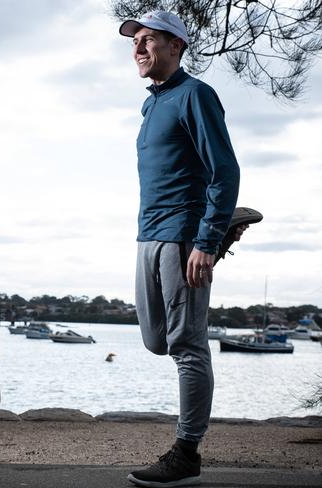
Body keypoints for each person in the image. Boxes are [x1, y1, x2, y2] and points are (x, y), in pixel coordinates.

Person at [119, 10, 243, 487]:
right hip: (147, 235)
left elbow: (224, 171)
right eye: (136, 42)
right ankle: (224, 226)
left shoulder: (196, 95)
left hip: (183, 236)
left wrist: (205, 241)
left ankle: (186, 453)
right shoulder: (152, 106)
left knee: (188, 345)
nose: (139, 48)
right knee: (157, 340)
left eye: (150, 40)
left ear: (177, 46)